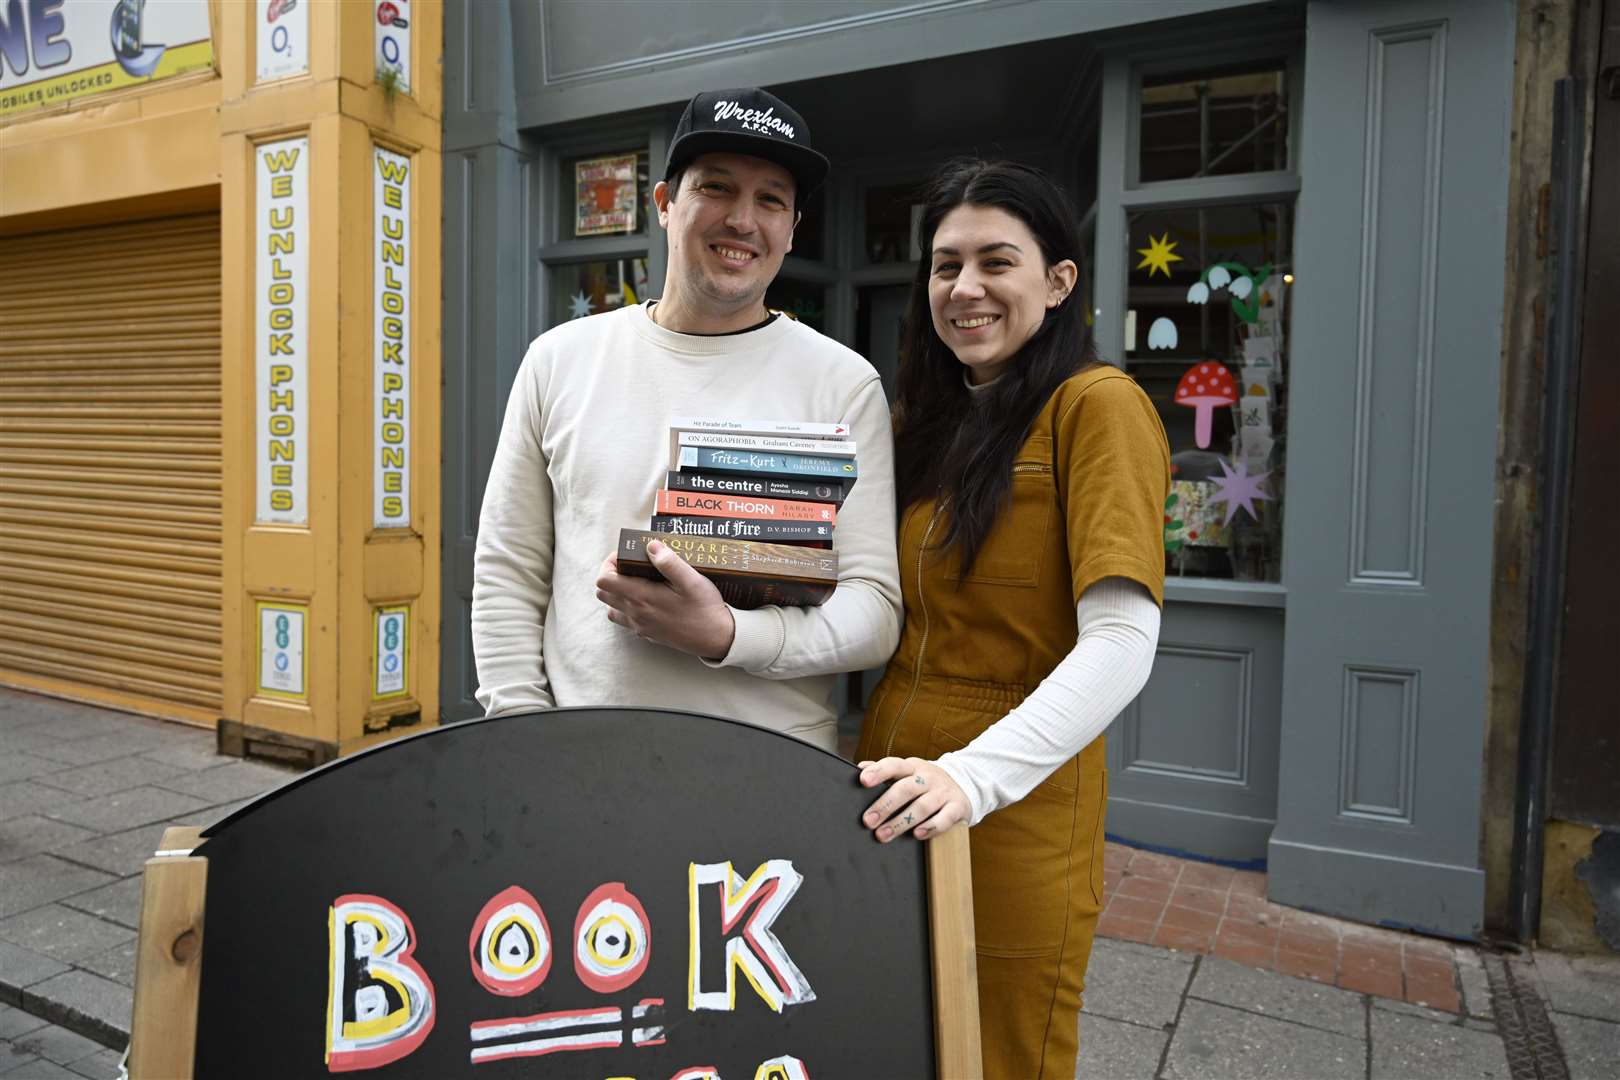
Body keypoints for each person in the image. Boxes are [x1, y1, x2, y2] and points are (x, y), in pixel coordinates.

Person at [855, 161, 1170, 1078]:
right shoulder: (930, 419)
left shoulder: (1098, 407)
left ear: (1059, 280)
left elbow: (1121, 643)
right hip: (889, 794)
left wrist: (972, 779)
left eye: (998, 262)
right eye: (946, 265)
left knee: (1002, 1057)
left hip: (1011, 812)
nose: (966, 288)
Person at [471, 88, 901, 750]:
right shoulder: (558, 360)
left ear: (792, 229)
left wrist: (727, 636)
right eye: (717, 188)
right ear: (667, 203)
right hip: (583, 760)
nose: (742, 219)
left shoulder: (842, 385)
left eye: (771, 200)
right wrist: (522, 735)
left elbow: (874, 612)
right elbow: (509, 570)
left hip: (771, 769)